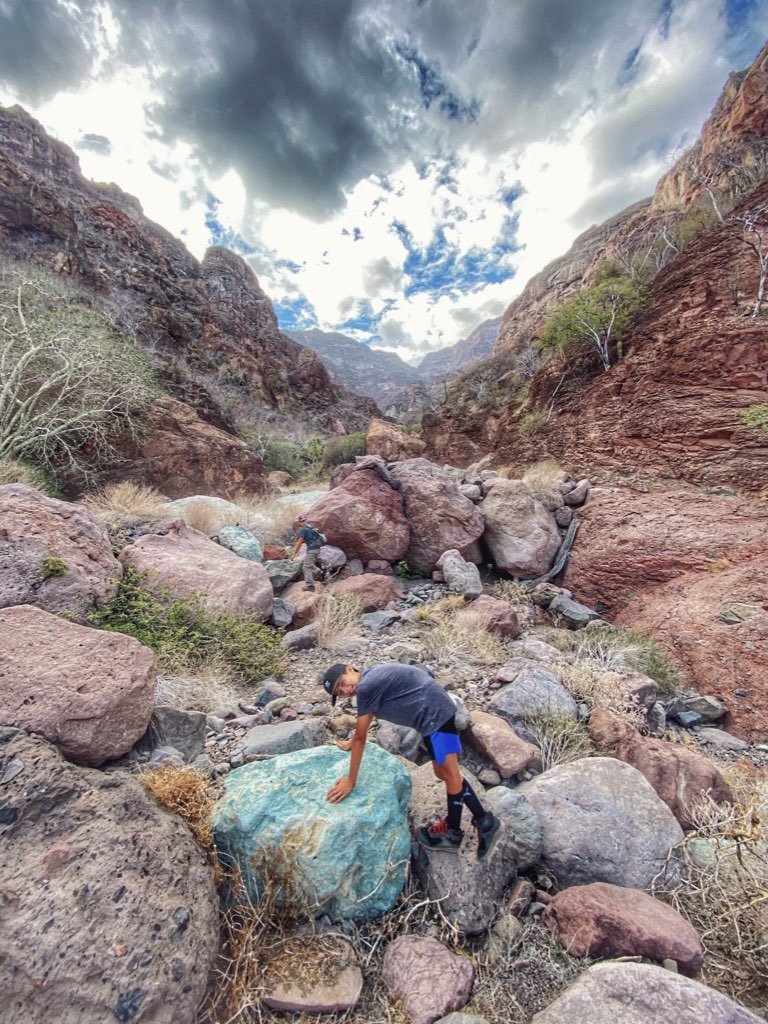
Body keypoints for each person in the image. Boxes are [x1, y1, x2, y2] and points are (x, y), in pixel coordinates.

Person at [321, 662, 502, 860]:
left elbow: (361, 738)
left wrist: (350, 781)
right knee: (443, 773)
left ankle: (453, 832)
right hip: (433, 714)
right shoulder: (369, 680)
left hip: (435, 716)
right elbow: (360, 732)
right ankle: (485, 822)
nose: (346, 691)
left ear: (350, 669)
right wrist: (352, 742)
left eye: (343, 683)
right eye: (340, 692)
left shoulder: (366, 687)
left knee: (450, 776)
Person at [288, 514, 323, 591]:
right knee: (309, 564)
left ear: (298, 521)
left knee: (306, 567)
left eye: (297, 521)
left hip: (312, 550)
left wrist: (294, 554)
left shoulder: (303, 530)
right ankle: (319, 572)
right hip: (317, 548)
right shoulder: (311, 527)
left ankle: (310, 586)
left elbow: (299, 543)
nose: (296, 523)